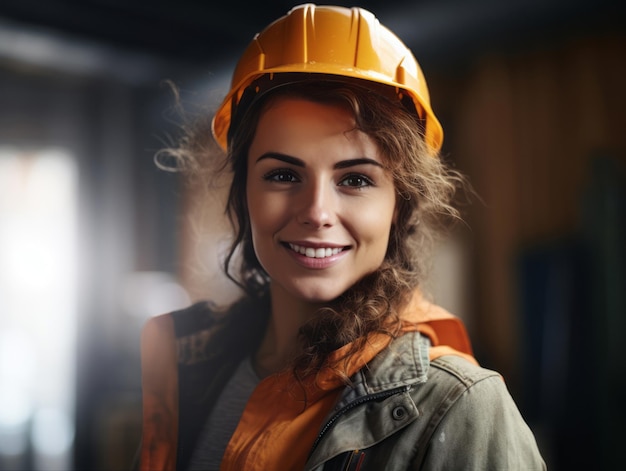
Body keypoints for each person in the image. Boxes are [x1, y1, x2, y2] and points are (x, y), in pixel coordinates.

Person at [138, 4, 546, 470]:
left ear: (400, 205)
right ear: (242, 193)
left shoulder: (460, 407)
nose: (316, 212)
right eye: (283, 175)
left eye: (354, 180)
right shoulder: (191, 369)